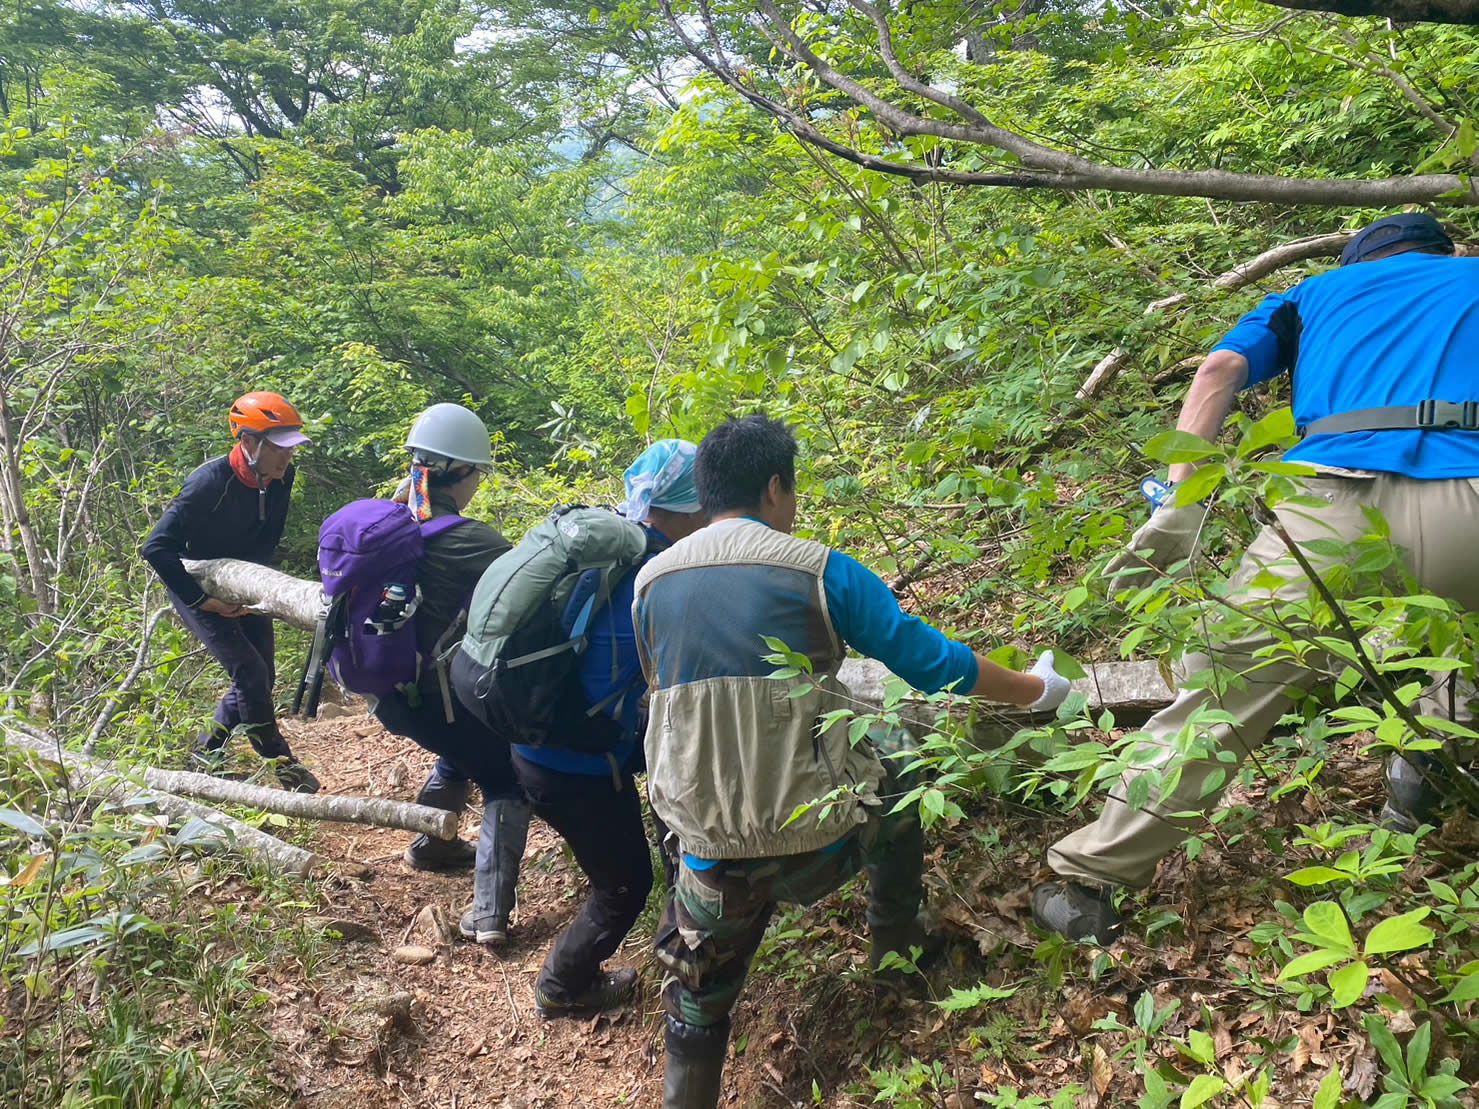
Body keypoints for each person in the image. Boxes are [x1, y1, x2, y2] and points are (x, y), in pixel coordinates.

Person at [1031, 212, 1479, 945]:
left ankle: (1091, 885)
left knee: (1223, 695)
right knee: (1466, 644)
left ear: (1357, 260)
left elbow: (1217, 371)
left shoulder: (1312, 291)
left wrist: (1180, 506)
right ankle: (1422, 771)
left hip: (1328, 500)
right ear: (1442, 253)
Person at [632, 415, 1070, 1109]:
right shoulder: (818, 570)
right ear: (775, 486)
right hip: (819, 837)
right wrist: (1038, 688)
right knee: (900, 759)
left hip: (707, 854)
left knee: (696, 1000)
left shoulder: (649, 583)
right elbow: (932, 664)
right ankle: (895, 949)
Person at [508, 440, 708, 1019]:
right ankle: (561, 987)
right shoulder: (655, 580)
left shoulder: (610, 545)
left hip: (539, 737)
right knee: (621, 887)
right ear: (684, 509)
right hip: (575, 765)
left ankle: (681, 909)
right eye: (705, 504)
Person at [370, 403, 532, 938]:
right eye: (476, 474)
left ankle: (433, 846)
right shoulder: (470, 539)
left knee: (464, 743)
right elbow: (531, 582)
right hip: (428, 694)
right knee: (506, 778)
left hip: (390, 690)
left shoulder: (390, 522)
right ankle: (489, 916)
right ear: (461, 473)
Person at [142, 391, 319, 793]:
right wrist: (205, 600)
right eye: (278, 448)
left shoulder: (281, 477)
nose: (286, 459)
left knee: (261, 677)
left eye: (290, 449)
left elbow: (267, 537)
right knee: (251, 674)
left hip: (244, 583)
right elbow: (156, 548)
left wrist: (247, 590)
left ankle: (205, 754)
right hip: (196, 583)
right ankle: (284, 767)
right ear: (249, 442)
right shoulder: (208, 484)